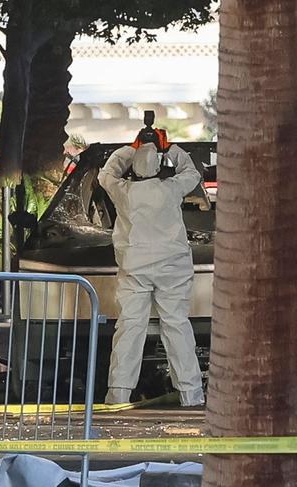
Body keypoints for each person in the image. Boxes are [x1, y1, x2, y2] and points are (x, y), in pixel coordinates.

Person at [98, 141, 204, 407]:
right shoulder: (171, 188)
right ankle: (191, 396)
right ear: (158, 167)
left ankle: (118, 394)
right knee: (177, 327)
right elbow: (192, 173)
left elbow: (106, 174)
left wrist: (129, 149)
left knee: (130, 328)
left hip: (135, 268)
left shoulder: (124, 192)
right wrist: (171, 148)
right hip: (173, 269)